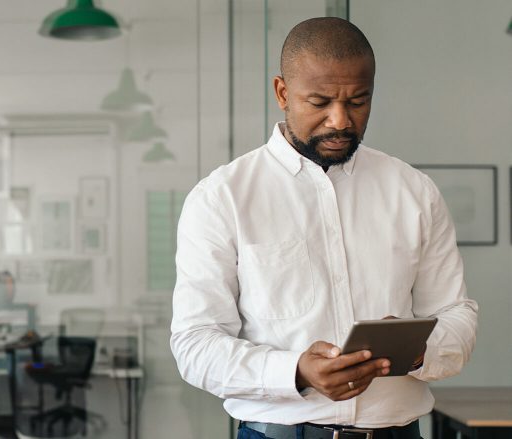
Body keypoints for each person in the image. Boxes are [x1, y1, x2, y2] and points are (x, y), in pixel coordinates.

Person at [170, 17, 478, 439]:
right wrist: (295, 371)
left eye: (358, 101)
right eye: (319, 102)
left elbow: (455, 313)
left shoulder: (414, 191)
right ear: (282, 92)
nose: (340, 120)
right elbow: (195, 344)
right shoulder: (222, 197)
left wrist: (420, 348)